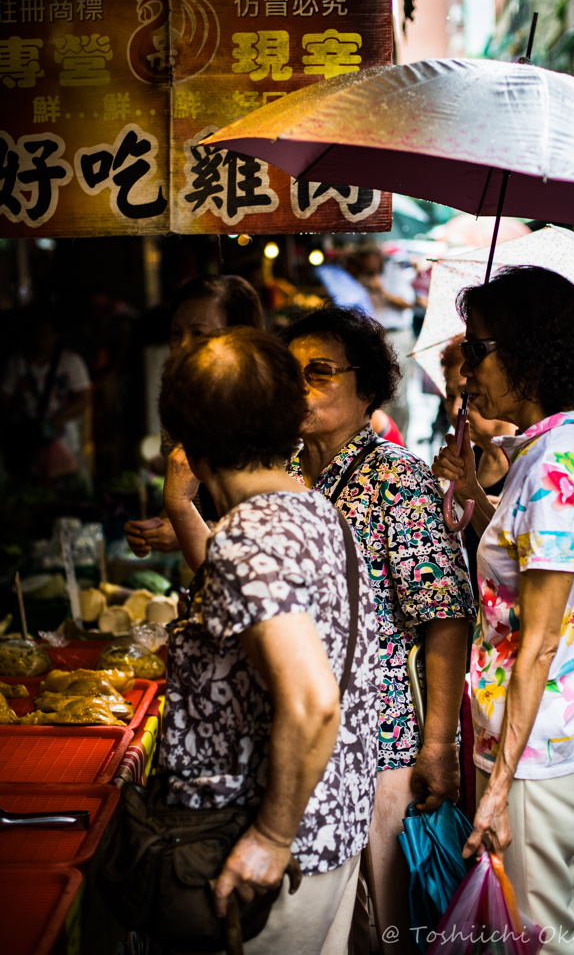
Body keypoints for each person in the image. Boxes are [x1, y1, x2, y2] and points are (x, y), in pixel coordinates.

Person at [157, 328, 379, 955]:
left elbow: (313, 701)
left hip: (273, 854)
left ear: (189, 442)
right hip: (329, 826)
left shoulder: (247, 538)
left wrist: (271, 838)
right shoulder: (313, 509)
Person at [433, 266, 574, 955]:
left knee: (538, 936)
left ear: (527, 354)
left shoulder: (550, 468)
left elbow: (539, 642)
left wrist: (498, 787)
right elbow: (536, 570)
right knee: (553, 923)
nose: (465, 373)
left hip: (537, 747)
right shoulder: (568, 446)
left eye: (479, 347)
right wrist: (478, 502)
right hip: (557, 732)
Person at [281, 306, 474, 955]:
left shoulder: (395, 481)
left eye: (319, 373)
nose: (298, 387)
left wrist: (438, 747)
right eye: (289, 373)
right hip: (296, 741)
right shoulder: (280, 474)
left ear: (366, 388)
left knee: (380, 922)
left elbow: (445, 616)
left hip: (378, 744)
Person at [124, 274, 263, 557]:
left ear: (241, 337)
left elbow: (274, 522)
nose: (182, 347)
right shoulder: (178, 408)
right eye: (176, 333)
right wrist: (161, 525)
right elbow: (188, 495)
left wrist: (190, 525)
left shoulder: (266, 411)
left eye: (199, 334)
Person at [440, 333, 516, 605]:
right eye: (449, 396)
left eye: (464, 393)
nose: (454, 408)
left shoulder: (526, 462)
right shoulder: (471, 459)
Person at [1, 305, 91, 487]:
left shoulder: (71, 362)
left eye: (47, 334)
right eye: (37, 333)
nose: (42, 339)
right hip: (26, 439)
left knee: (67, 483)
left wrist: (56, 420)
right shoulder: (16, 363)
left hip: (63, 437)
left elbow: (83, 399)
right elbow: (4, 399)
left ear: (56, 336)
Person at [347, 245, 416, 440]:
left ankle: (400, 437)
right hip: (378, 336)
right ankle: (386, 436)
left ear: (375, 256)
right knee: (383, 388)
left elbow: (409, 301)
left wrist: (383, 291)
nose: (364, 261)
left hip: (398, 334)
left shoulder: (393, 273)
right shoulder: (363, 278)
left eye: (366, 256)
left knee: (397, 390)